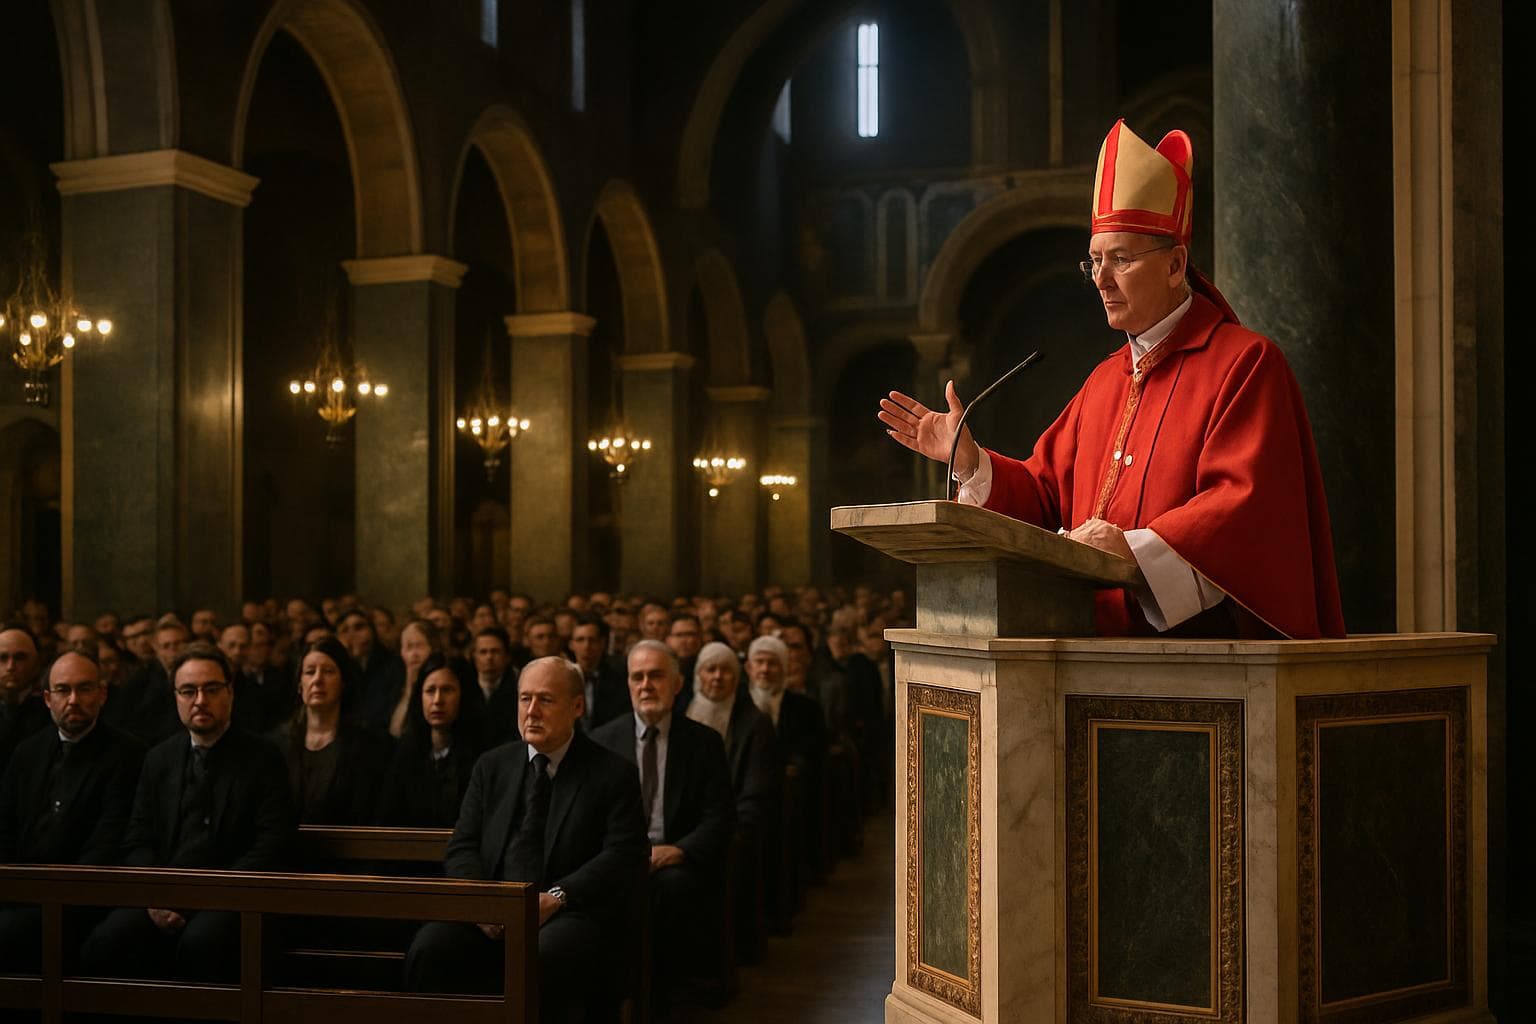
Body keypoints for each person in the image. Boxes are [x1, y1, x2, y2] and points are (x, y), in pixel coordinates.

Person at [878, 118, 1345, 640]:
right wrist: (971, 462)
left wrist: (1132, 549)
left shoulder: (1244, 365)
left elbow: (1245, 513)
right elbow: (1043, 494)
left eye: (1120, 259)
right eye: (1094, 261)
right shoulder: (1104, 381)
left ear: (1175, 264)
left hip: (1203, 673)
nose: (1100, 279)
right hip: (1089, 663)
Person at [404, 657, 649, 1022]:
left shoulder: (613, 773)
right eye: (524, 699)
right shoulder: (492, 766)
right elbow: (463, 845)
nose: (531, 711)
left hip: (568, 912)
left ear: (577, 707)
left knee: (543, 955)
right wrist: (482, 902)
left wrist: (557, 897)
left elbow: (624, 853)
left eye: (545, 700)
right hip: (491, 911)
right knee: (430, 948)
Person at [81, 644, 294, 982]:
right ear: (175, 696)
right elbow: (137, 838)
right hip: (163, 894)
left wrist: (204, 897)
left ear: (230, 692)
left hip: (232, 895)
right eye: (188, 691)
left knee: (202, 944)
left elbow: (271, 845)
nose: (199, 700)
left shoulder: (264, 759)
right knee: (106, 941)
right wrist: (156, 896)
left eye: (211, 689)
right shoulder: (159, 759)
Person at [592, 641, 735, 1012]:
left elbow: (720, 817)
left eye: (656, 676)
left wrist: (680, 849)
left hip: (676, 859)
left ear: (677, 684)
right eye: (637, 677)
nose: (646, 685)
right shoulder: (603, 742)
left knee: (672, 891)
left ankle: (662, 995)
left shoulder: (704, 743)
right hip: (618, 860)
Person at [0, 648, 147, 971]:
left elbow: (107, 843)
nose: (73, 699)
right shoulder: (28, 753)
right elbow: (6, 829)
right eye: (63, 690)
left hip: (86, 895)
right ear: (47, 699)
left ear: (103, 694)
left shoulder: (129, 755)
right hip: (21, 891)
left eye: (84, 689)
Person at [276, 636, 390, 825]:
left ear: (343, 683)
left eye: (328, 671)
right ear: (299, 685)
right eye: (310, 672)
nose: (318, 679)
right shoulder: (277, 745)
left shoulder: (368, 747)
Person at [379, 655, 488, 828]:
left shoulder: (484, 757)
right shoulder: (406, 752)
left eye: (447, 690)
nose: (437, 700)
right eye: (430, 691)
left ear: (463, 695)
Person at [0, 623, 50, 773]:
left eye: (20, 657)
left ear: (37, 663)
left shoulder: (50, 709)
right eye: (2, 658)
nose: (10, 666)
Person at [569, 613, 629, 730]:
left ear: (602, 643)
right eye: (580, 640)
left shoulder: (619, 680)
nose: (587, 646)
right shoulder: (563, 679)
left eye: (592, 640)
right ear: (571, 645)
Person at [471, 626, 520, 744]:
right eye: (483, 652)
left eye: (495, 651)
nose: (489, 657)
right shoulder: (465, 688)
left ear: (507, 657)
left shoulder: (518, 690)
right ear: (474, 657)